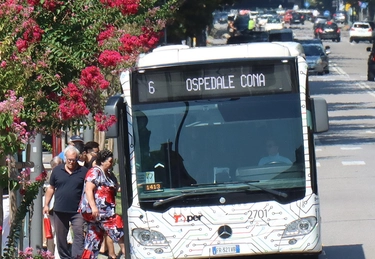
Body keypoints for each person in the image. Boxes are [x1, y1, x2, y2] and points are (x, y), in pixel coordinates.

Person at [79, 149, 125, 259]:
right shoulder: (94, 172)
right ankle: (128, 253)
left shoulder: (109, 174)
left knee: (92, 240)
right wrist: (94, 207)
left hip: (106, 212)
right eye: (109, 161)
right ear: (102, 161)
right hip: (99, 212)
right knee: (120, 234)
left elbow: (117, 188)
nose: (111, 163)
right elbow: (89, 189)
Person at [43, 145, 88, 259]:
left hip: (77, 210)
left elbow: (88, 189)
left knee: (79, 234)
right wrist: (46, 205)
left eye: (74, 160)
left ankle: (76, 256)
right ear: (65, 158)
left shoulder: (83, 171)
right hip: (60, 209)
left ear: (77, 158)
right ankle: (64, 257)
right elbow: (51, 188)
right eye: (69, 160)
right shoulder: (57, 170)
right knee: (61, 237)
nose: (71, 162)